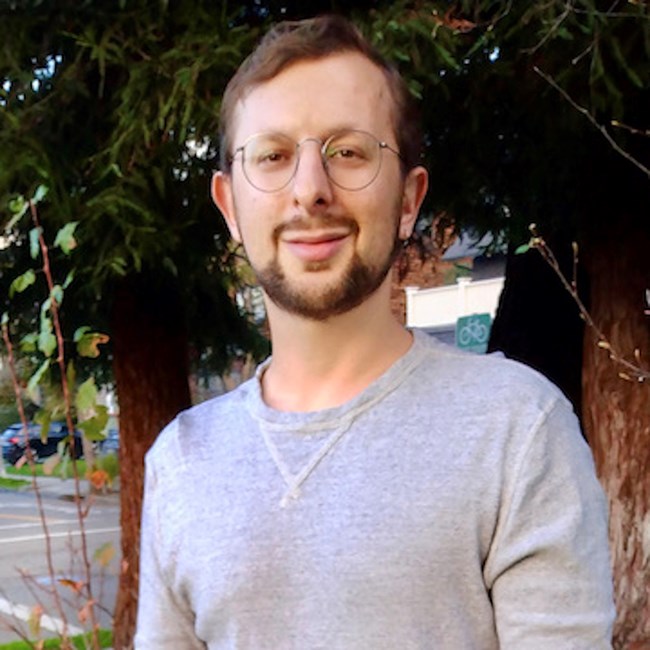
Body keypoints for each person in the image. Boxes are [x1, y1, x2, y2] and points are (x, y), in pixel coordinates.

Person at [135, 15, 615, 649]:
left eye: (349, 152)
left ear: (409, 199)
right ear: (229, 205)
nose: (310, 190)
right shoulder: (182, 463)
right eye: (274, 156)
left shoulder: (516, 429)